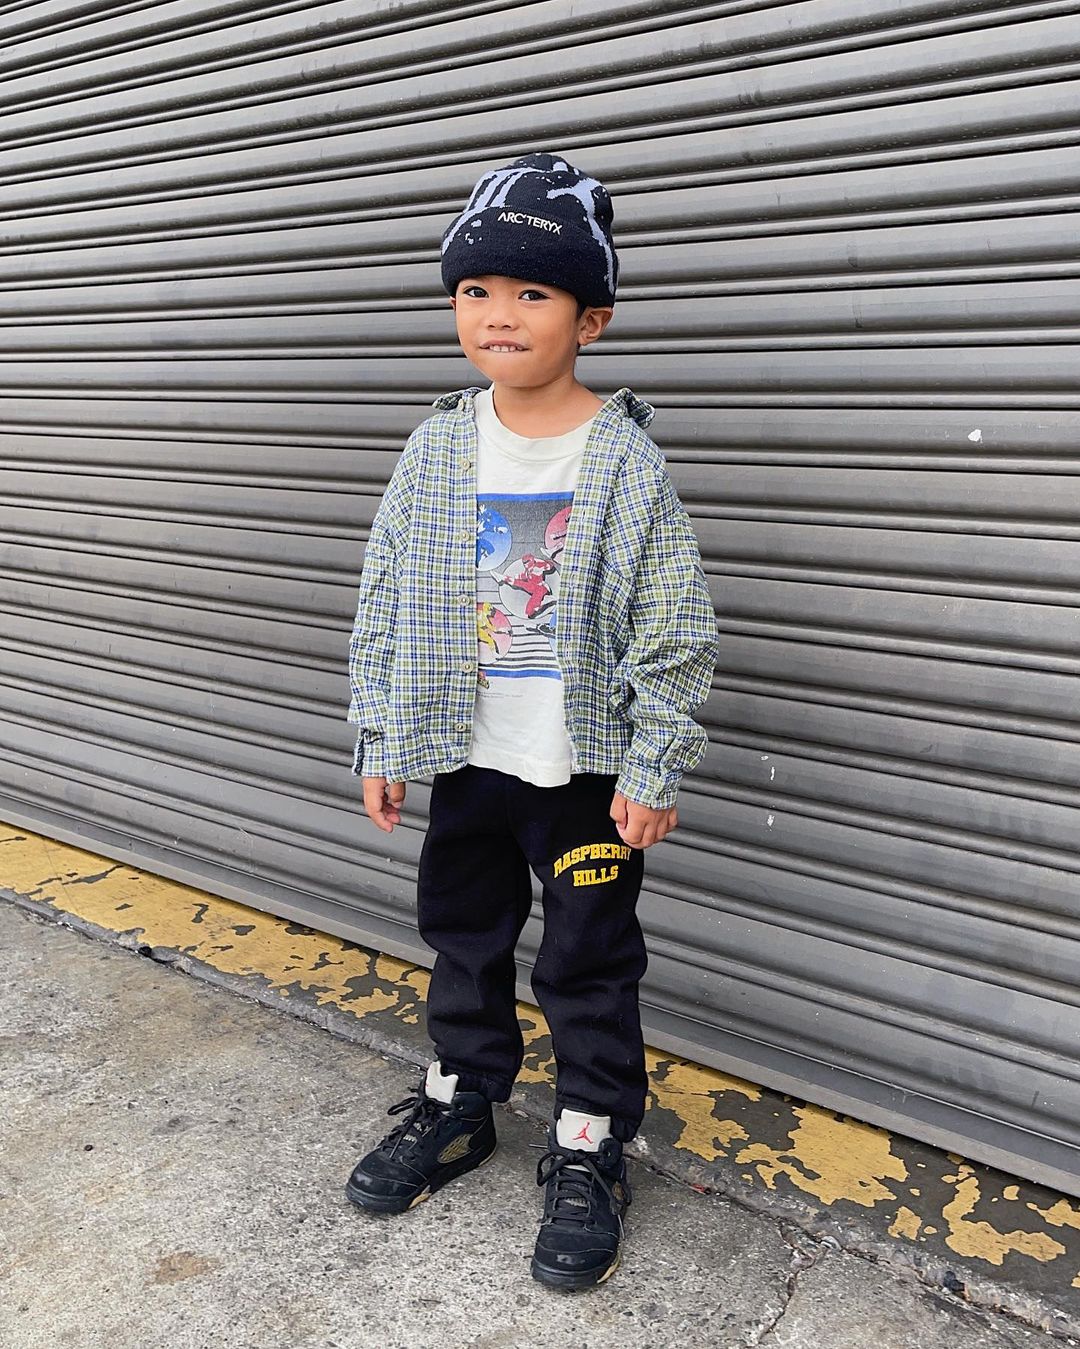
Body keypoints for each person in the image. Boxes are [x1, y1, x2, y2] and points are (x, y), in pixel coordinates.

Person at [343, 152, 718, 1290]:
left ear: (591, 318)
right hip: (466, 758)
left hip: (584, 772)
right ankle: (462, 1100)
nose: (497, 313)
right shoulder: (436, 447)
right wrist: (381, 734)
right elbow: (386, 592)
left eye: (531, 292)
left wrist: (654, 762)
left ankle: (591, 1138)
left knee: (588, 959)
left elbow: (674, 622)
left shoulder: (624, 460)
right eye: (476, 290)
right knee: (462, 935)